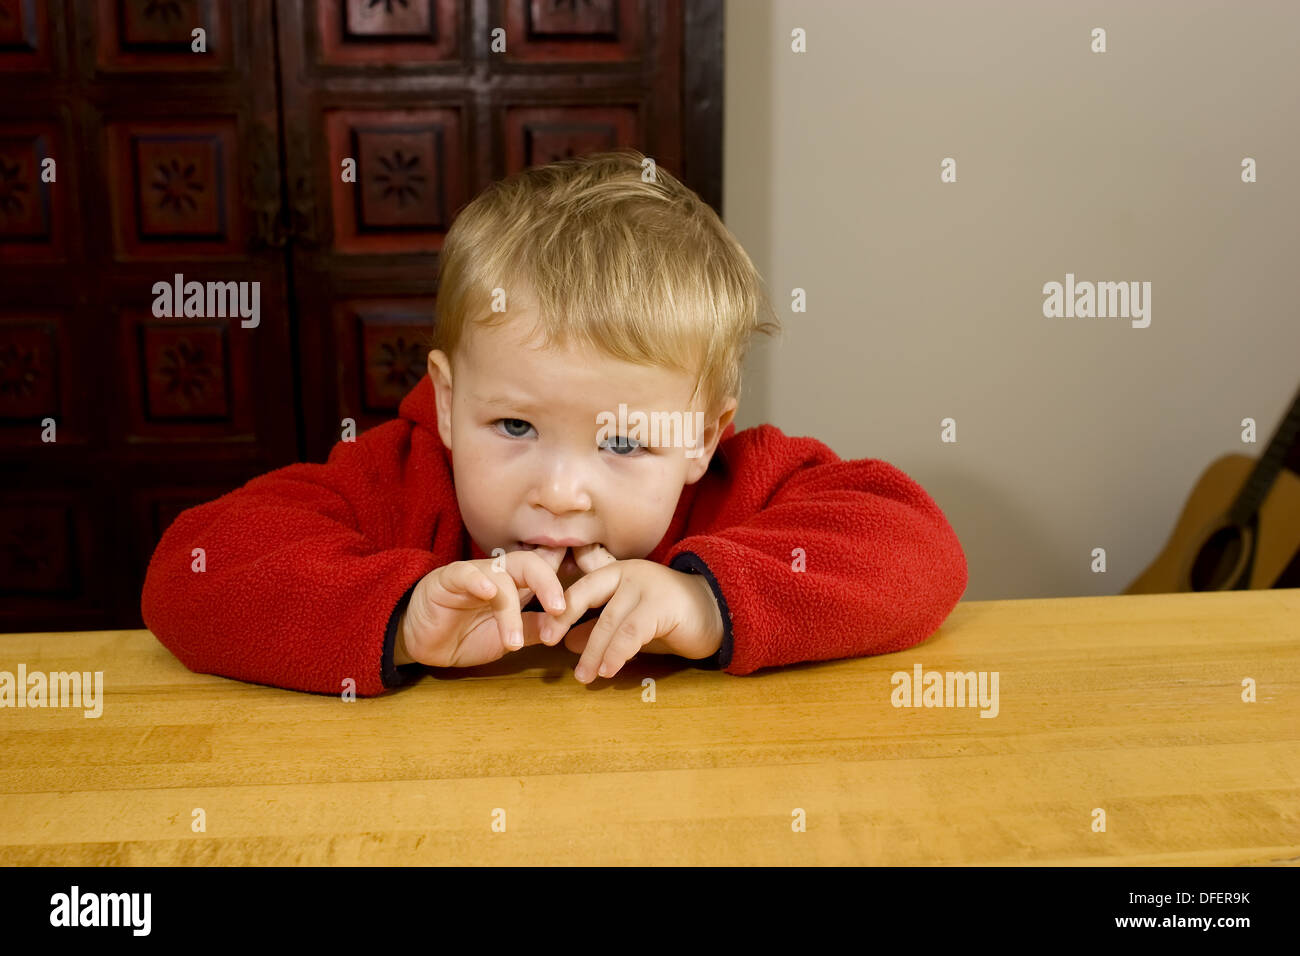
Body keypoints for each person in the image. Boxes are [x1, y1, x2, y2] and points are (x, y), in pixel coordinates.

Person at [140, 150, 968, 695]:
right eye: (514, 427)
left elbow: (919, 549)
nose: (561, 491)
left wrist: (701, 602)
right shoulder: (396, 477)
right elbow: (191, 571)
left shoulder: (738, 485)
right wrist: (397, 615)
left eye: (620, 440)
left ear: (701, 438)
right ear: (453, 401)